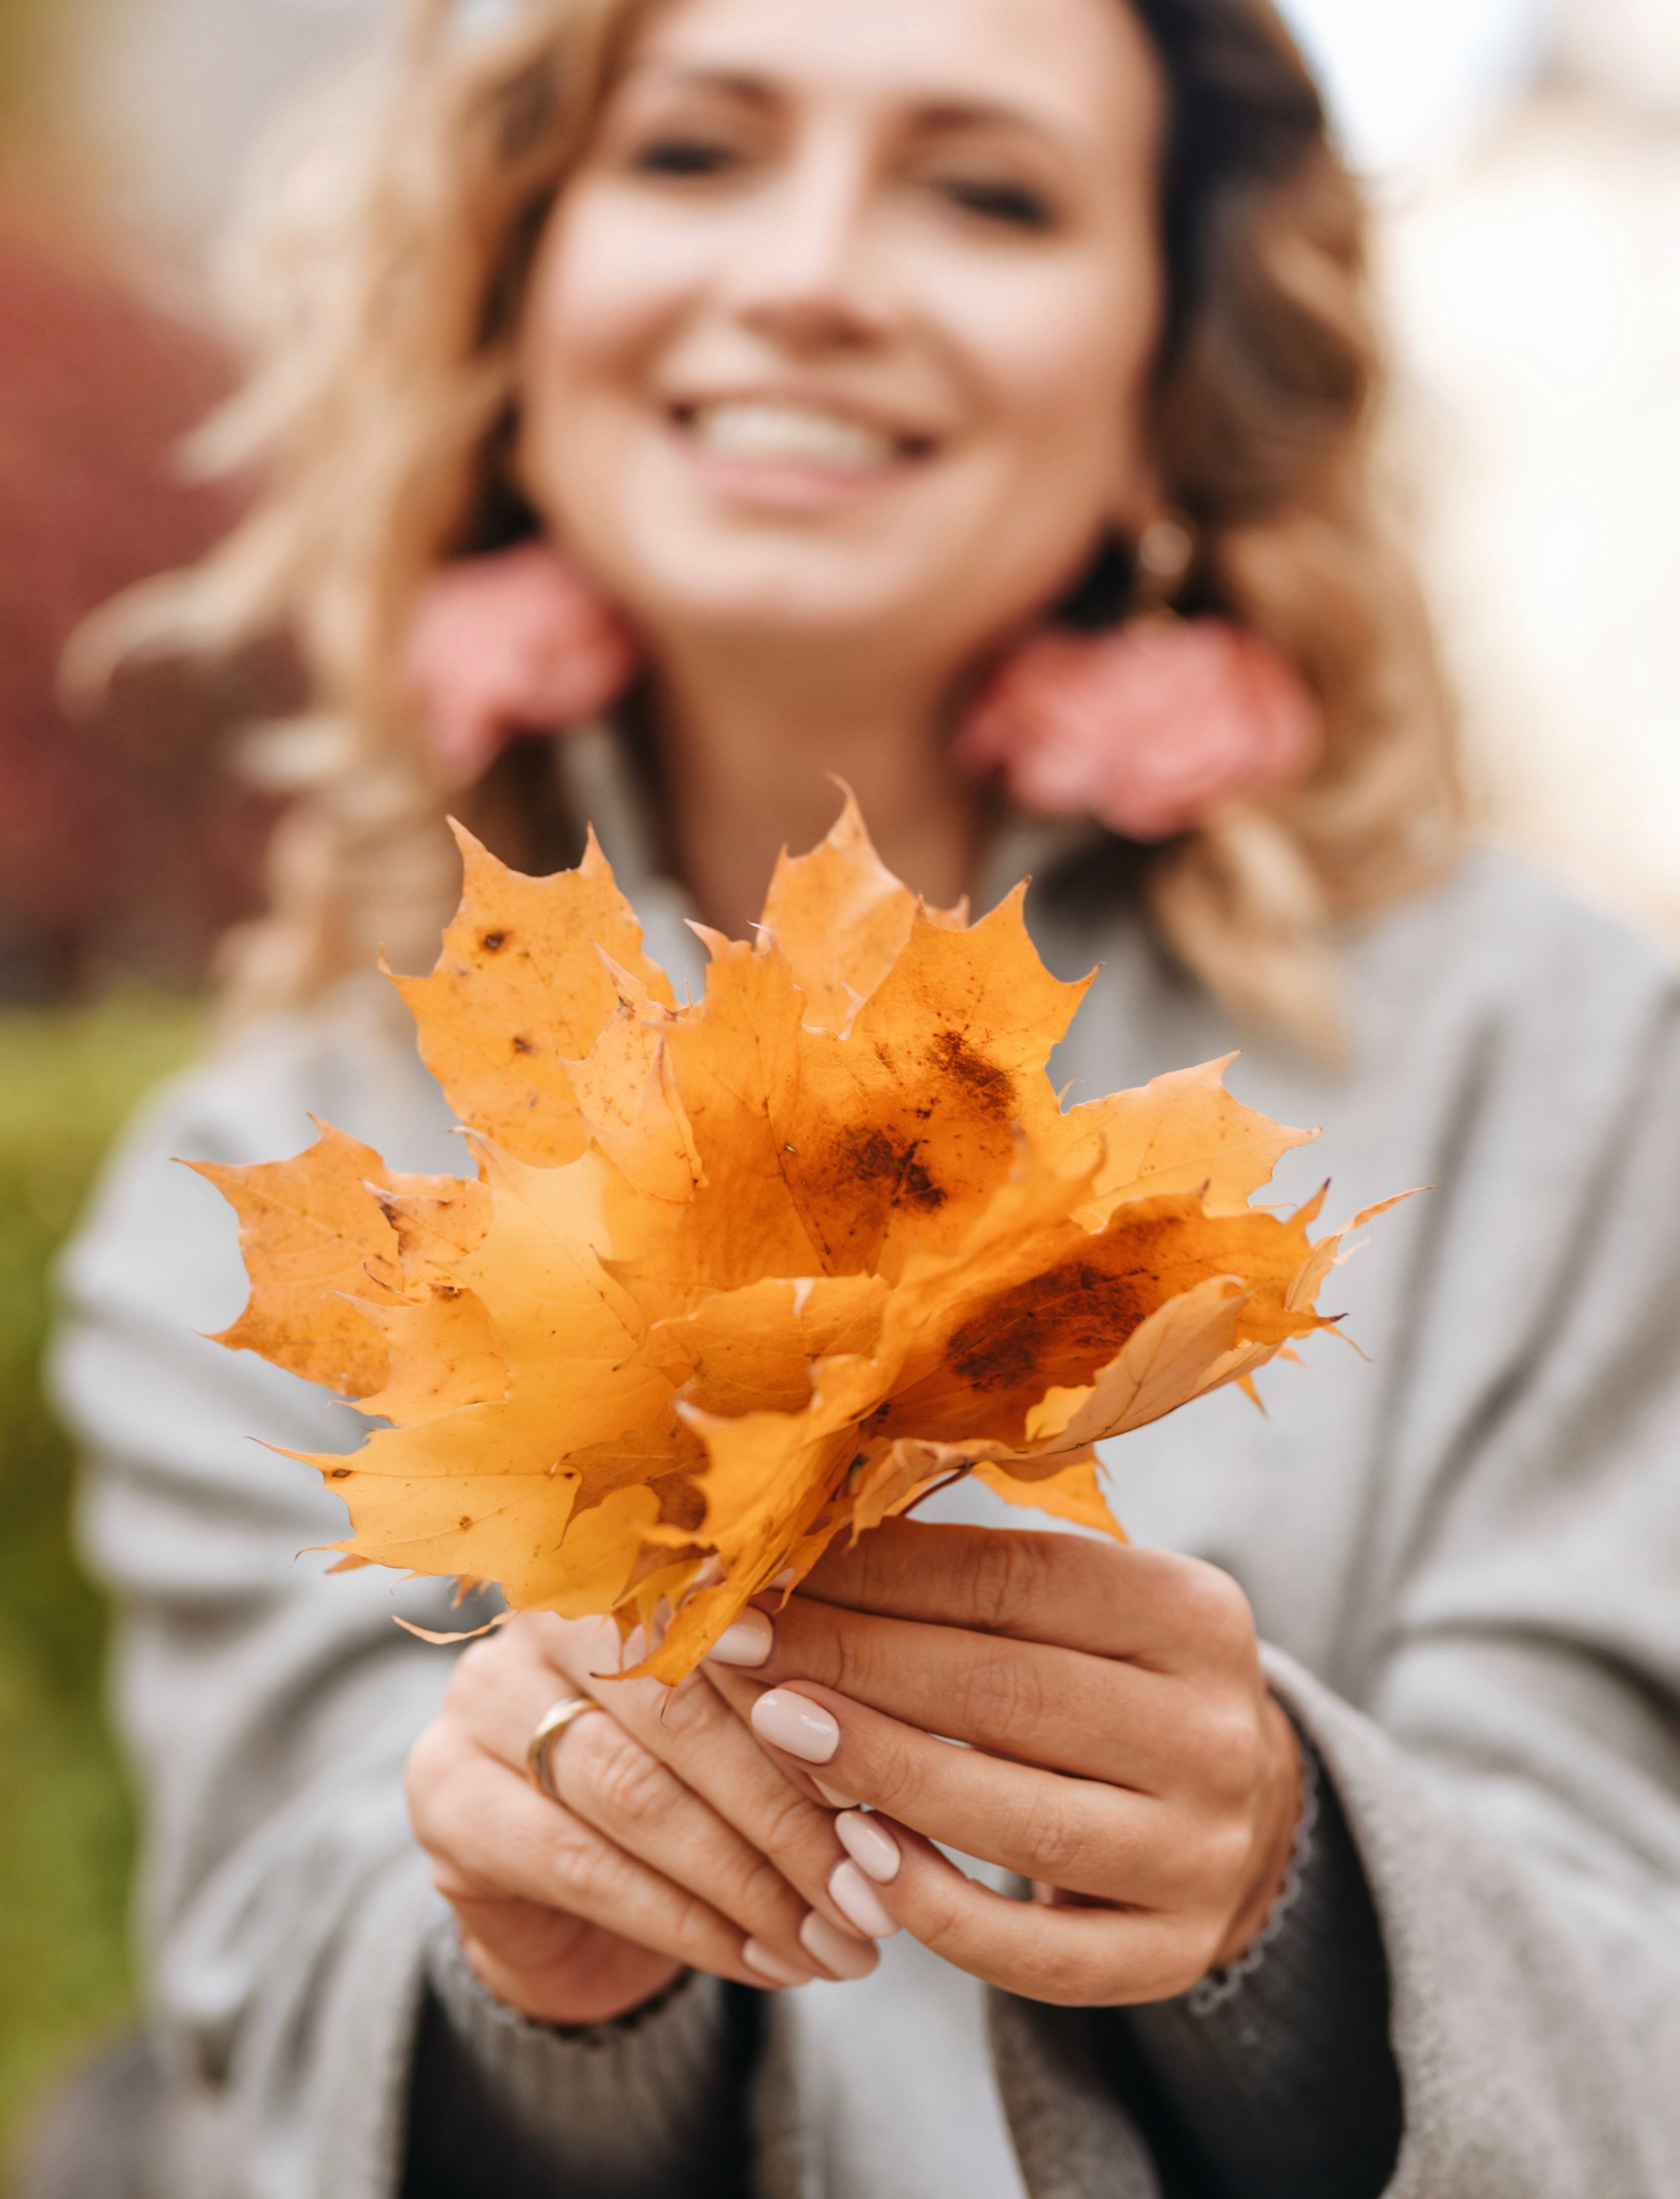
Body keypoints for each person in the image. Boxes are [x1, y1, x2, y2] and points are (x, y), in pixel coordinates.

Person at [49, 0, 1680, 2194]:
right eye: (697, 154)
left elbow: (1631, 1976)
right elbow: (280, 2000)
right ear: (519, 312)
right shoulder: (260, 1197)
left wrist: (1297, 1901)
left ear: (1167, 385)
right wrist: (535, 1980)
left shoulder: (1570, 1071)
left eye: (986, 193)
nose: (813, 274)